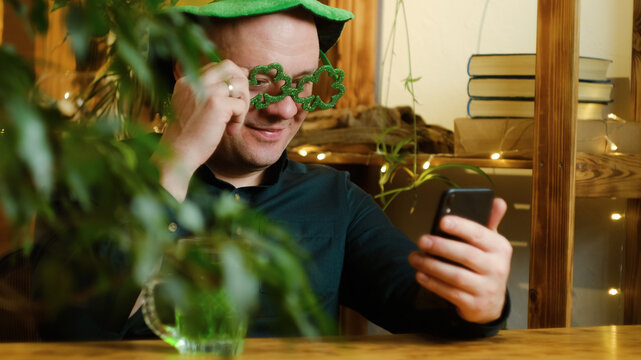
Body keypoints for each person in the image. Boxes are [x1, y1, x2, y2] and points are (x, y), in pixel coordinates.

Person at [32, 0, 512, 340]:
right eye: (260, 81)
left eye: (304, 84)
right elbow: (69, 327)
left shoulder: (336, 200)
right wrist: (176, 161)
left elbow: (423, 308)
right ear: (189, 72)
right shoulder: (89, 179)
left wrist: (480, 300)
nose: (285, 109)